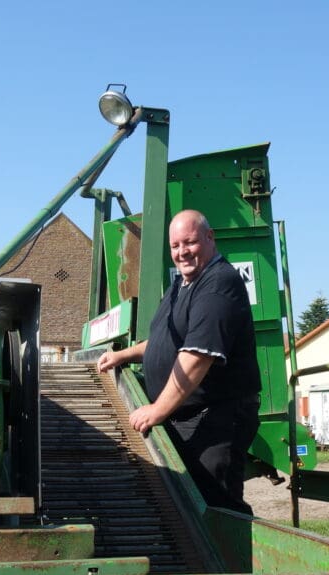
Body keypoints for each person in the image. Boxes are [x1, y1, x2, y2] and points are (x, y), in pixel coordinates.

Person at [97, 209, 261, 514]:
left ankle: (231, 562)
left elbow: (198, 356)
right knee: (191, 502)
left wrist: (158, 409)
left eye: (190, 242)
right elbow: (166, 342)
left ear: (210, 238)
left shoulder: (218, 283)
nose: (182, 252)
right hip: (189, 415)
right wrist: (123, 354)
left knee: (216, 508)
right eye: (175, 246)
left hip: (217, 417)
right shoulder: (181, 286)